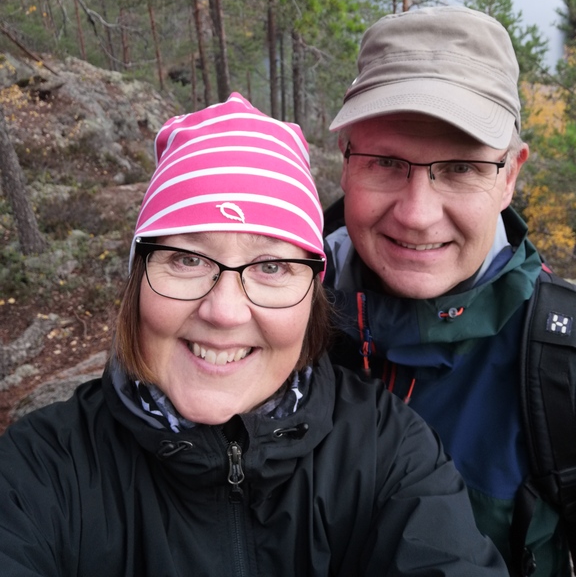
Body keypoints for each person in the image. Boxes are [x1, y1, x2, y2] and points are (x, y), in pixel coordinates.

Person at [0, 92, 507, 577]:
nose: (224, 311)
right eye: (186, 258)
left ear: (313, 294)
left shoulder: (387, 451)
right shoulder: (42, 468)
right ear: (137, 280)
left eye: (271, 265)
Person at [324, 6, 571, 577]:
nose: (416, 215)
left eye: (460, 168)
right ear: (345, 162)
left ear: (509, 175)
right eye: (386, 162)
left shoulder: (559, 366)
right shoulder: (272, 312)